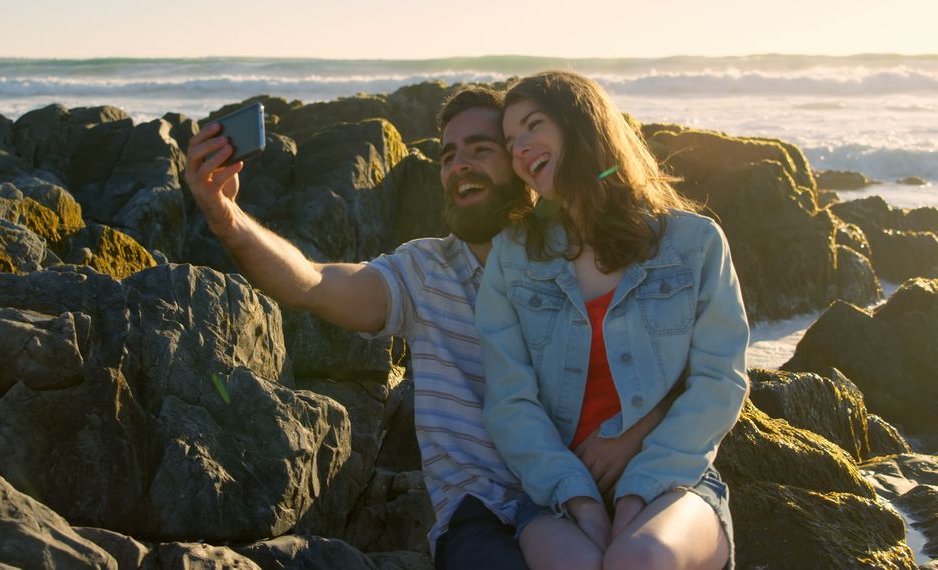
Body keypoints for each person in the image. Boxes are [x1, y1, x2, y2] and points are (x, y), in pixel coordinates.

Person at [185, 85, 670, 569]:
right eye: (448, 155)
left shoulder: (579, 257)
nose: (459, 164)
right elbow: (313, 283)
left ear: (523, 162)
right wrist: (227, 219)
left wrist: (635, 431)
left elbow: (688, 357)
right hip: (482, 517)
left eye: (481, 149)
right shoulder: (426, 270)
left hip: (593, 495)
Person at [475, 71, 748, 570]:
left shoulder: (694, 243)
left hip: (675, 478)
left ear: (582, 124)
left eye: (533, 125)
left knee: (638, 558)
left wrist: (636, 490)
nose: (520, 149)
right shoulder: (512, 259)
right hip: (554, 490)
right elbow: (510, 401)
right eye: (511, 141)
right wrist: (581, 500)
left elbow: (719, 381)